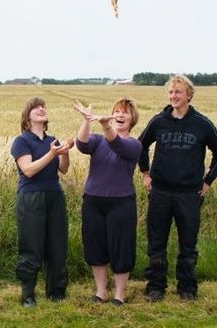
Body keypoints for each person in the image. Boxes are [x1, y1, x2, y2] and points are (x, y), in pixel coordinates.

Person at [138, 75, 217, 302]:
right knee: (157, 242)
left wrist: (208, 181)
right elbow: (140, 145)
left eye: (178, 92)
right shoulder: (159, 121)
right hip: (160, 192)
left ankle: (187, 288)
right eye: (170, 92)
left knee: (188, 244)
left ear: (189, 95)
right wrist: (145, 173)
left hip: (189, 193)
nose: (173, 96)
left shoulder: (202, 124)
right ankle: (156, 287)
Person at [73, 98, 142, 306]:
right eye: (117, 111)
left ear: (132, 119)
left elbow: (117, 144)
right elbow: (82, 144)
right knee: (96, 247)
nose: (120, 115)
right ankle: (101, 291)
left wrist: (105, 125)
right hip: (93, 200)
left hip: (121, 202)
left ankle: (119, 294)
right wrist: (86, 120)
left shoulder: (134, 144)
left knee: (121, 247)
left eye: (125, 113)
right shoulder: (98, 140)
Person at [11, 97, 73, 307]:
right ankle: (28, 295)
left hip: (55, 195)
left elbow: (63, 169)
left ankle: (56, 292)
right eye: (36, 107)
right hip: (31, 197)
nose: (41, 109)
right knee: (32, 246)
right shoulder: (22, 141)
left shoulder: (52, 140)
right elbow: (28, 170)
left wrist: (64, 152)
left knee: (58, 245)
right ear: (27, 115)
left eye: (43, 107)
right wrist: (52, 153)